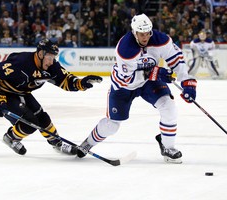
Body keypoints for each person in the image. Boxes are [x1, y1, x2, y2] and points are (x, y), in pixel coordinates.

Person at [76, 13, 197, 164]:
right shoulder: (125, 48)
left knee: (169, 107)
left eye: (147, 33)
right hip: (124, 86)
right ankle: (88, 142)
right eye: (141, 34)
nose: (145, 37)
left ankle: (168, 147)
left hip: (148, 82)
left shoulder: (161, 40)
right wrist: (155, 73)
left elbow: (176, 59)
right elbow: (127, 78)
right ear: (134, 32)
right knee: (112, 125)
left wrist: (187, 81)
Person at [0, 38, 102, 156]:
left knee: (43, 119)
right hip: (4, 94)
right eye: (49, 57)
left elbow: (66, 81)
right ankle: (10, 138)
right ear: (40, 54)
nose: (51, 62)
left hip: (23, 93)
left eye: (53, 58)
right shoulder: (21, 62)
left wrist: (81, 83)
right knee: (29, 124)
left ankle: (57, 144)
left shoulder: (52, 67)